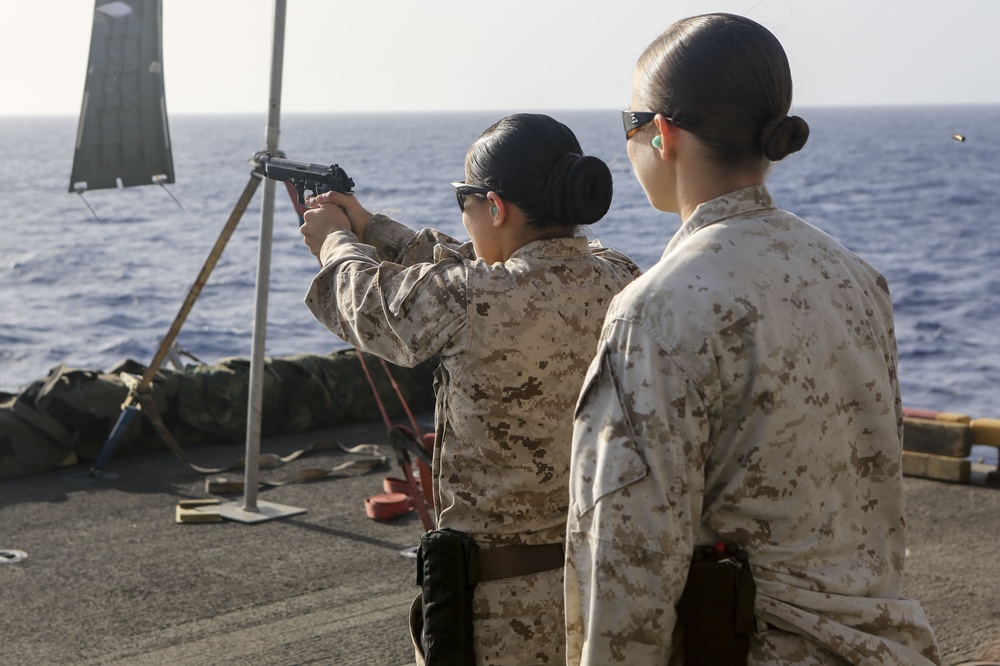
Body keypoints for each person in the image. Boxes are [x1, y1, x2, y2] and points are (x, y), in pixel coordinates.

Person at [563, 13, 942, 666]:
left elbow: (627, 569)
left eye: (630, 122)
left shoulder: (657, 310)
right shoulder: (853, 277)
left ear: (664, 133)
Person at [300, 113, 639, 665]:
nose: (464, 214)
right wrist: (372, 228)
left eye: (466, 200)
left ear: (496, 206)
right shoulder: (618, 274)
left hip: (502, 613)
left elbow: (372, 304)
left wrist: (335, 245)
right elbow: (472, 271)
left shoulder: (472, 299)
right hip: (604, 587)